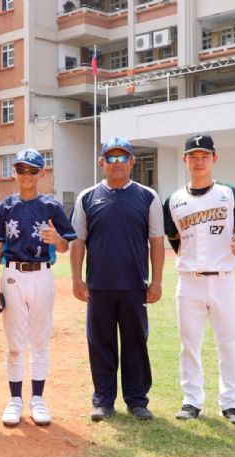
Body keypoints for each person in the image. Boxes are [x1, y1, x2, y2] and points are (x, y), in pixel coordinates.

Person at [163, 134, 235, 425]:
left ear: (214, 158)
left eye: (204, 155)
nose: (199, 160)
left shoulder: (230, 193)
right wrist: (190, 259)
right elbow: (173, 237)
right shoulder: (174, 200)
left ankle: (230, 403)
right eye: (193, 156)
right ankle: (192, 401)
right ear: (185, 160)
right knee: (189, 344)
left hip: (224, 279)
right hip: (189, 281)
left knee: (227, 343)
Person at [70, 136, 165, 421]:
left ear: (132, 161)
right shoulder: (87, 197)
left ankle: (137, 401)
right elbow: (78, 242)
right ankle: (103, 400)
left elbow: (157, 241)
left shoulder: (148, 196)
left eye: (122, 157)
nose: (116, 163)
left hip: (135, 285)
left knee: (136, 342)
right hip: (98, 286)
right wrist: (76, 278)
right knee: (101, 344)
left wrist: (157, 280)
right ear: (101, 163)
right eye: (110, 158)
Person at [0, 149, 77, 427]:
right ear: (14, 172)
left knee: (39, 339)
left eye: (32, 170)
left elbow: (64, 246)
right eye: (21, 170)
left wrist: (56, 238)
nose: (27, 175)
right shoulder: (4, 207)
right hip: (12, 274)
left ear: (42, 173)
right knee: (14, 343)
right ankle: (14, 400)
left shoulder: (51, 206)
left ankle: (37, 399)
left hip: (42, 275)